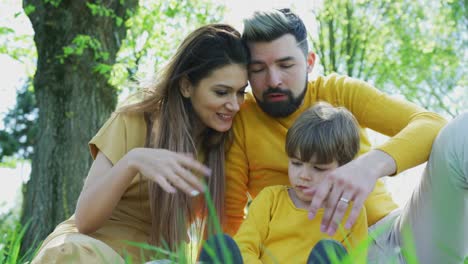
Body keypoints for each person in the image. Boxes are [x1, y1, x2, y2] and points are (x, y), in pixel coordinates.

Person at [223, 8, 466, 263]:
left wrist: (370, 166)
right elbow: (228, 220)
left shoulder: (338, 92)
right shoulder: (241, 119)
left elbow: (432, 123)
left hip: (395, 240)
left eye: (285, 65)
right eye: (258, 68)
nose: (273, 80)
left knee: (462, 132)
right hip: (305, 257)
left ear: (309, 62)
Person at [32, 24, 250, 263]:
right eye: (221, 92)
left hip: (156, 257)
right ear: (186, 86)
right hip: (92, 249)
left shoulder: (227, 140)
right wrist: (132, 161)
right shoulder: (136, 118)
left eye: (240, 92)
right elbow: (85, 221)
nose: (235, 104)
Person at [233, 102, 368, 263]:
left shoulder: (351, 212)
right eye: (296, 163)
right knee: (226, 249)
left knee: (330, 253)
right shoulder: (271, 199)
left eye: (318, 168)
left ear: (344, 169)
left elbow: (356, 260)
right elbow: (243, 247)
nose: (303, 175)